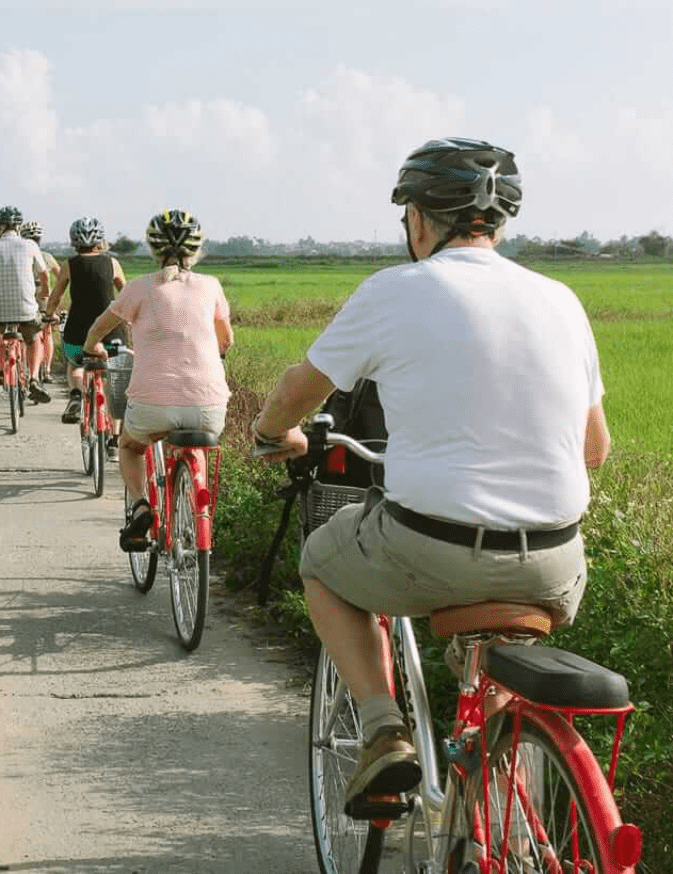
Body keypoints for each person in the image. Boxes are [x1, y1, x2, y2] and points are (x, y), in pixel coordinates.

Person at [251, 137, 610, 816]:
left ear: (417, 219)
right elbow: (596, 448)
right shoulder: (562, 300)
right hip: (555, 564)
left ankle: (384, 729)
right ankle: (498, 792)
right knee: (498, 651)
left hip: (430, 549)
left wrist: (273, 434)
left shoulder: (394, 290)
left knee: (323, 563)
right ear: (502, 222)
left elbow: (301, 390)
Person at [83, 210, 233, 544]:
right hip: (210, 408)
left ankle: (140, 506)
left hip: (152, 405)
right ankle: (196, 508)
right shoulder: (211, 286)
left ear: (153, 249)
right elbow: (227, 339)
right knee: (195, 433)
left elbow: (99, 328)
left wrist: (94, 347)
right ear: (196, 250)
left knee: (129, 446)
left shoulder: (139, 288)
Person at [46, 217, 127, 457]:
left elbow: (56, 296)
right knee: (114, 383)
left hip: (78, 333)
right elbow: (127, 293)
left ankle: (75, 395)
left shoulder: (70, 264)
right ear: (100, 241)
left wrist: (48, 315)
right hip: (113, 333)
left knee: (74, 365)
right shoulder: (112, 263)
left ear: (74, 241)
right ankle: (114, 440)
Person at [0, 205, 52, 404]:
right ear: (18, 225)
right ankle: (34, 378)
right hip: (26, 309)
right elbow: (44, 275)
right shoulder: (30, 246)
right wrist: (43, 292)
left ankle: (0, 369)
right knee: (34, 337)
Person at [19, 220, 61, 385]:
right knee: (47, 332)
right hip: (43, 297)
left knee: (26, 334)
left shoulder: (20, 255)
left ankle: (27, 368)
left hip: (25, 297)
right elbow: (60, 276)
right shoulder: (47, 257)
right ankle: (47, 370)